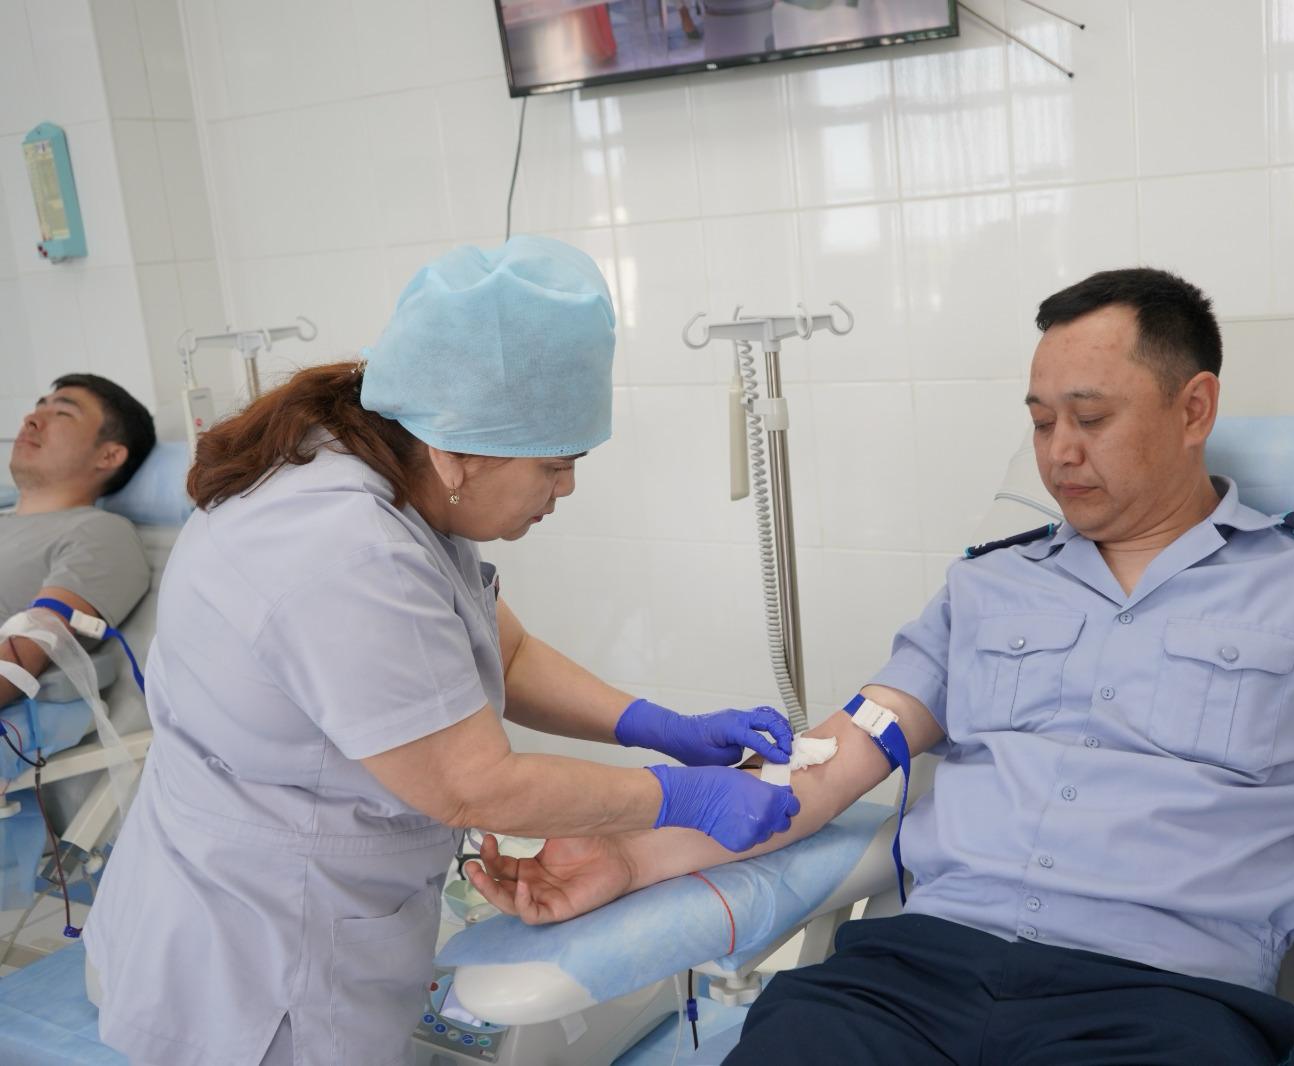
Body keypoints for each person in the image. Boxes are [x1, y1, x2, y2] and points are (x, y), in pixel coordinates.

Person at [469, 268, 1294, 1066]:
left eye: (1091, 418)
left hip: (1159, 1008)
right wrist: (630, 855)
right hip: (909, 980)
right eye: (1040, 422)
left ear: (1194, 409)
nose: (1058, 453)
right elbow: (827, 765)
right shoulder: (986, 588)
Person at [81, 237, 800, 1066]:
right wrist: (682, 798)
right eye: (555, 465)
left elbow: (505, 654)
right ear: (459, 453)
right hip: (259, 953)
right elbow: (474, 785)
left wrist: (655, 724)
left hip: (296, 905)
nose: (566, 488)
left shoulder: (399, 474)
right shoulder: (343, 548)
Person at [1, 375, 155, 708]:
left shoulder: (101, 533)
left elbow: (19, 661)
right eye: (38, 407)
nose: (31, 419)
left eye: (63, 413)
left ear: (109, 456)